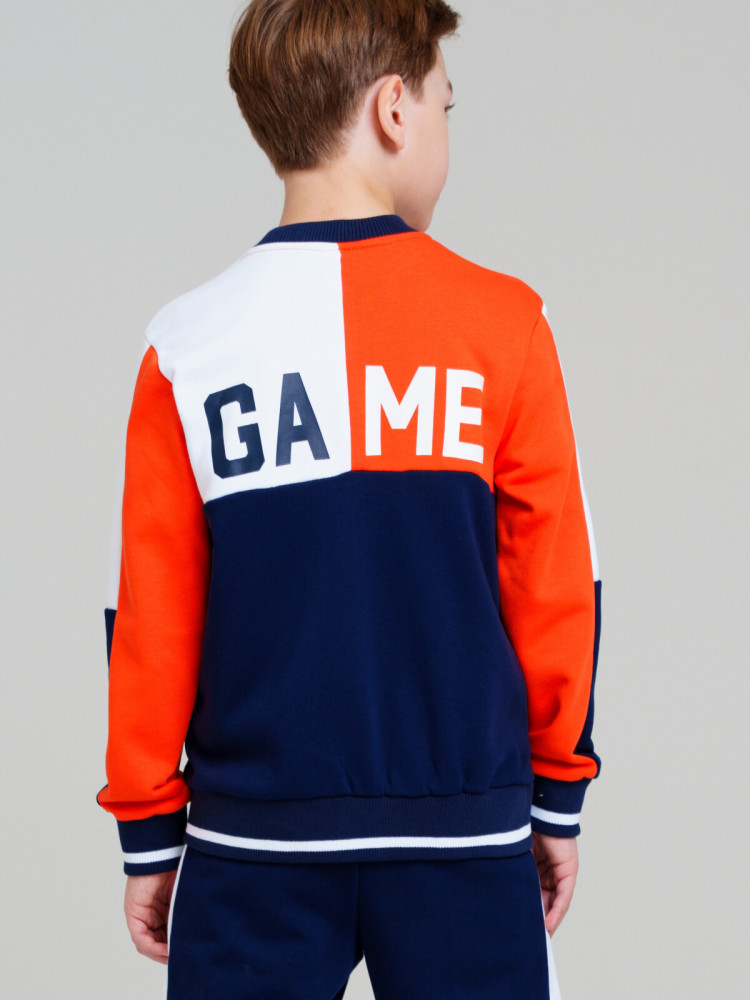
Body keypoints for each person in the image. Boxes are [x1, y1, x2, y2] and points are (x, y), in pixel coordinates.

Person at [96, 2, 603, 997]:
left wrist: (149, 827)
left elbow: (156, 612)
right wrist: (556, 794)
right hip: (464, 832)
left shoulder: (186, 345)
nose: (446, 129)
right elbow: (553, 582)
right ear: (395, 108)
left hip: (254, 841)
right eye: (447, 105)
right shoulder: (508, 324)